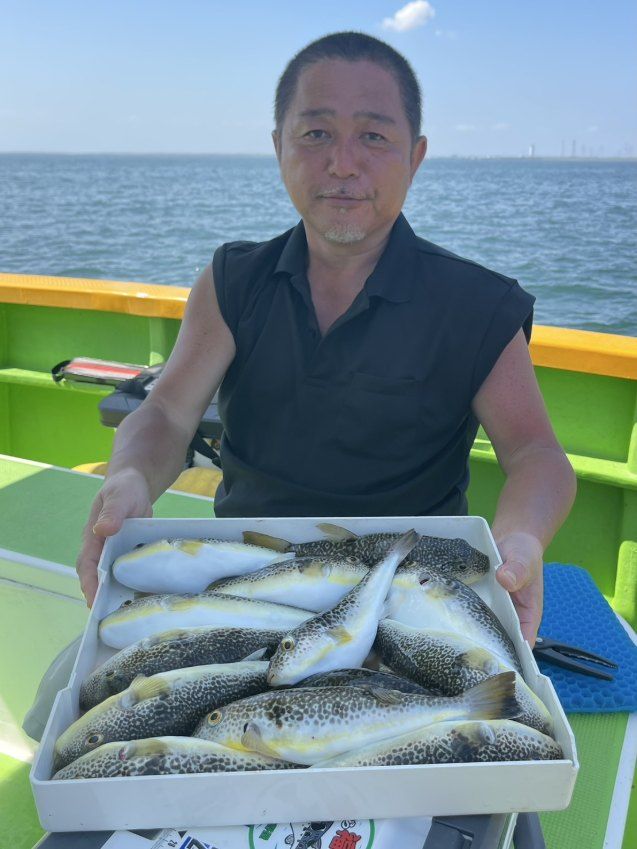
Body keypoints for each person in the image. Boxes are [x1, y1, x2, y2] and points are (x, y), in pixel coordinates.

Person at [76, 32, 576, 646]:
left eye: (373, 136)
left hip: (412, 591)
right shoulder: (234, 281)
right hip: (242, 577)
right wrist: (129, 475)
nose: (342, 163)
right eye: (315, 134)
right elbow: (166, 414)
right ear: (278, 147)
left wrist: (521, 539)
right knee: (69, 694)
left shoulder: (479, 305)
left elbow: (536, 454)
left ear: (415, 156)